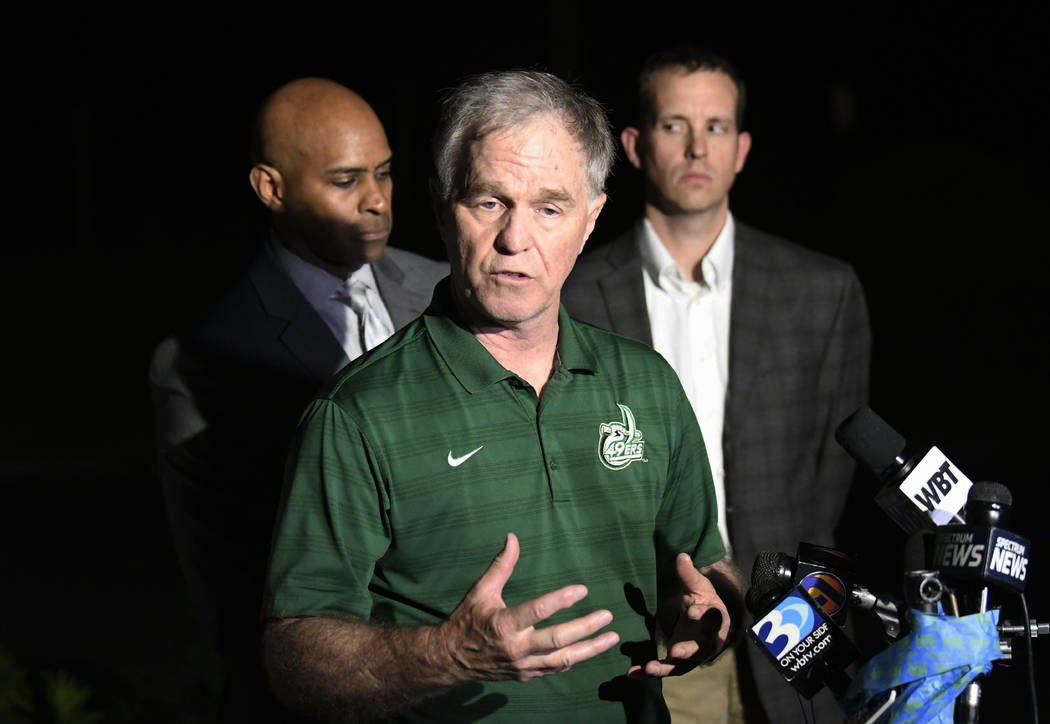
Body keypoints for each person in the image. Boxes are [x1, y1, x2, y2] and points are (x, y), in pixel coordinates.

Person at [262, 69, 746, 724]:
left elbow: (700, 564)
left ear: (591, 218)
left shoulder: (647, 384)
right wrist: (449, 655)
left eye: (550, 207)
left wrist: (705, 611)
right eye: (489, 202)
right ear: (440, 205)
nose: (516, 240)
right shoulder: (355, 415)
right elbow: (292, 655)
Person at [562, 48, 871, 724]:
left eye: (718, 126)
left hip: (791, 629)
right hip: (643, 634)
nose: (699, 145)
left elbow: (831, 479)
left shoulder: (822, 291)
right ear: (636, 146)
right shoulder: (572, 296)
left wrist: (803, 596)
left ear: (743, 148)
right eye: (675, 125)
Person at [149, 77, 447, 722]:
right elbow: (234, 601)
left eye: (386, 173)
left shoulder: (445, 292)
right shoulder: (203, 361)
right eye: (345, 181)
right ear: (271, 188)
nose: (376, 201)